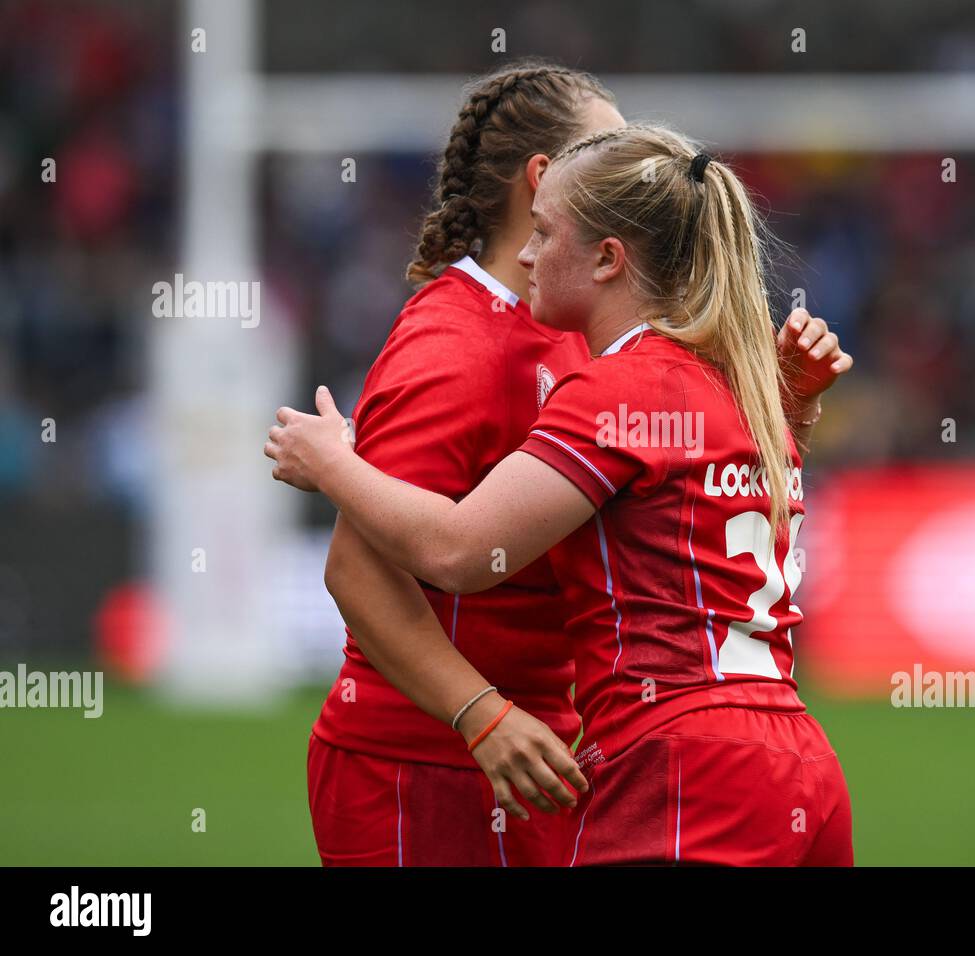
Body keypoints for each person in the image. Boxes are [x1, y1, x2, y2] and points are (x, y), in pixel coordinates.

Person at [268, 124, 854, 865]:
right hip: (798, 765)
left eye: (545, 234)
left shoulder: (619, 389)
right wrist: (796, 407)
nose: (525, 254)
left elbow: (460, 551)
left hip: (681, 769)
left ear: (608, 258)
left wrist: (331, 464)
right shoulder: (741, 389)